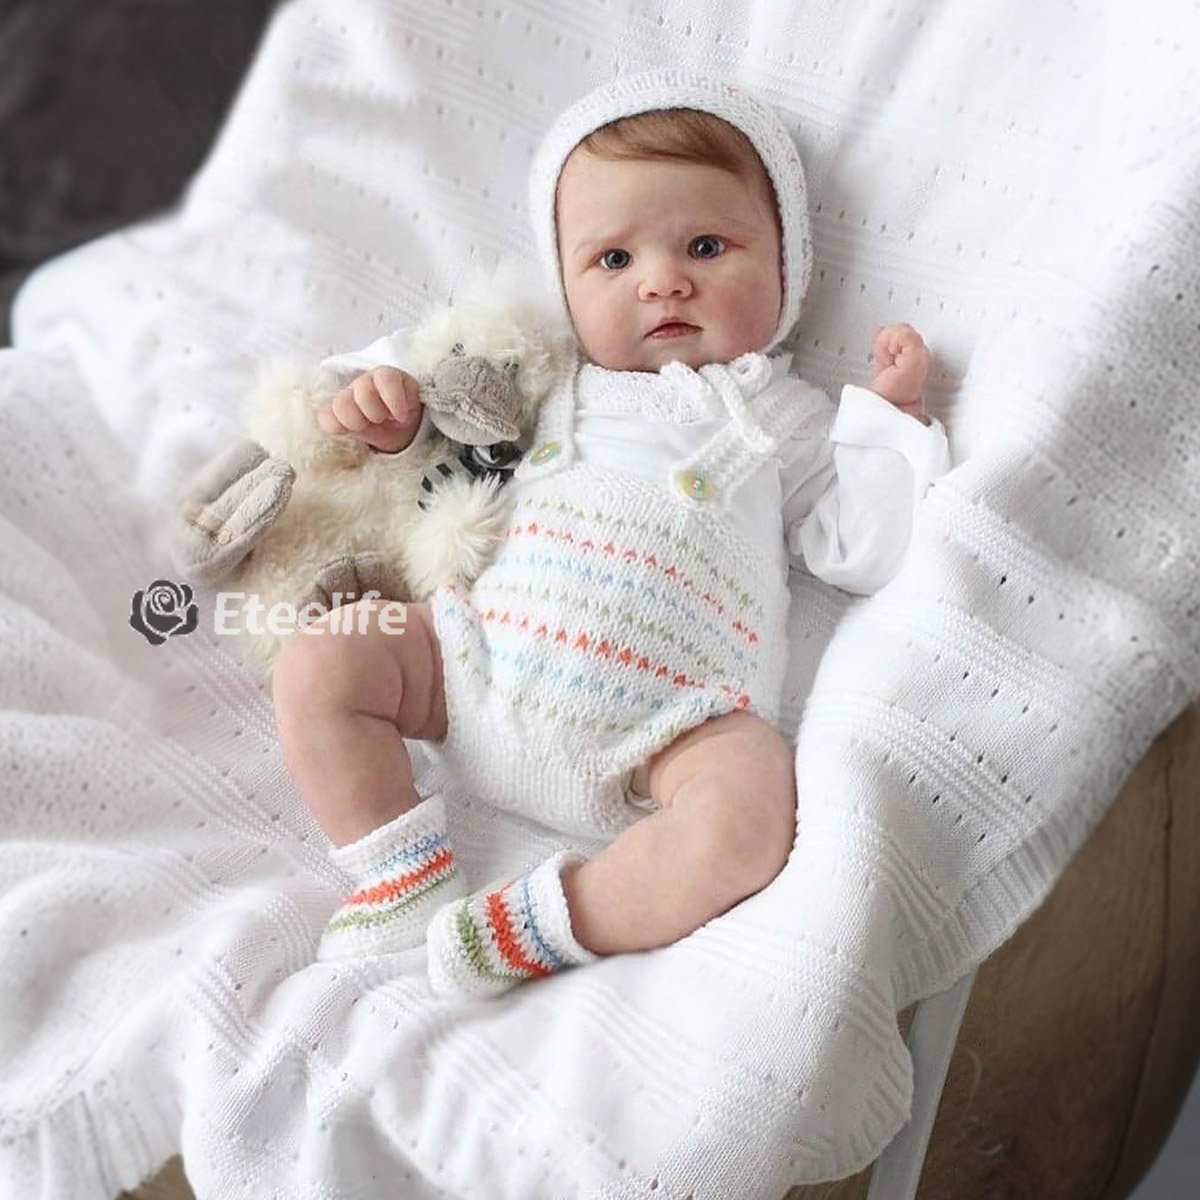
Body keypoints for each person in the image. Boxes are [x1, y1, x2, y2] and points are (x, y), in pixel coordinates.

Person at [271, 70, 950, 999]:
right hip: (470, 670)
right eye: (615, 260)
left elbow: (862, 551)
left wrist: (889, 422)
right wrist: (387, 410)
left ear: (787, 266)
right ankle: (397, 873)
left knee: (750, 815)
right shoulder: (549, 377)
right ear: (563, 283)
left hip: (667, 734)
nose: (663, 281)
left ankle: (549, 923)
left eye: (706, 246)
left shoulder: (782, 417)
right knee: (323, 661)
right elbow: (441, 404)